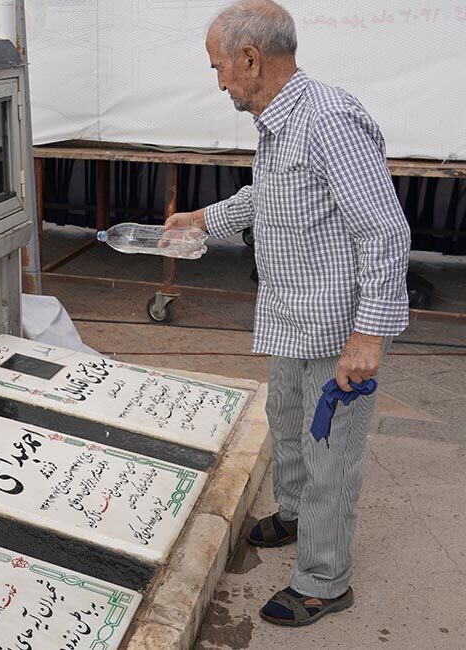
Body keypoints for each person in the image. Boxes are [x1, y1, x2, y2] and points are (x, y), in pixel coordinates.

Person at [164, 0, 410, 627]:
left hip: (339, 327)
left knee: (330, 453)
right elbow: (268, 196)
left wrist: (368, 336)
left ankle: (325, 580)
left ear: (250, 59)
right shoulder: (279, 122)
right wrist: (203, 219)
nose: (219, 81)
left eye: (220, 67)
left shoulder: (328, 119)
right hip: (293, 314)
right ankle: (297, 514)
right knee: (287, 419)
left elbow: (385, 232)